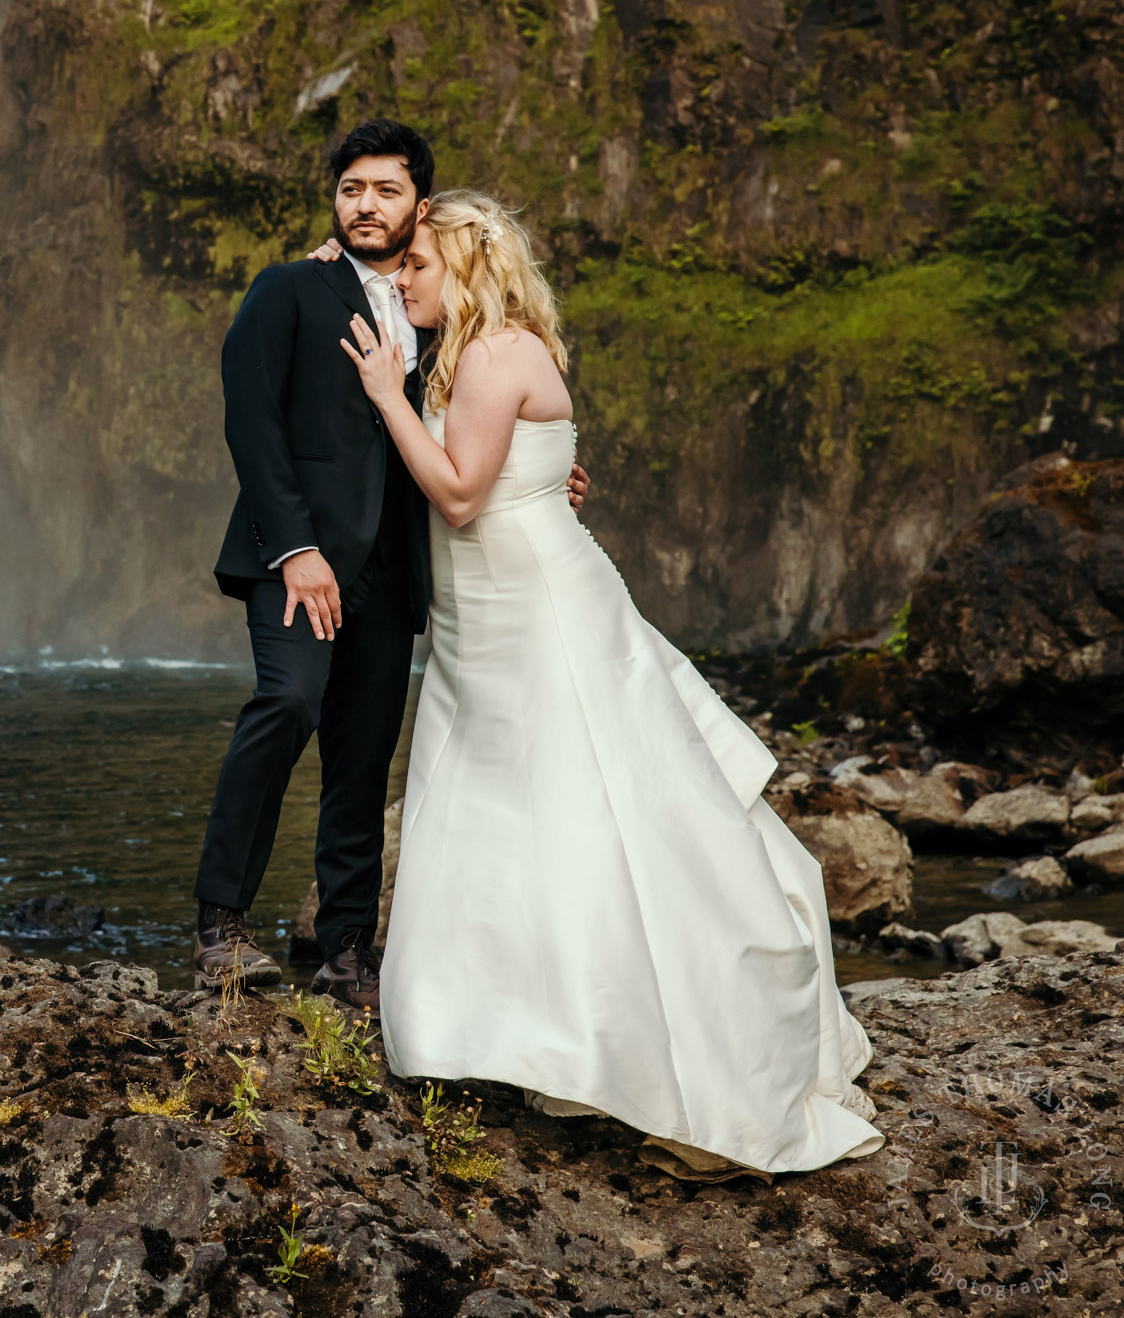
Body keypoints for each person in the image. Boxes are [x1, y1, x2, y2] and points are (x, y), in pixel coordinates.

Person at [339, 189, 882, 1178]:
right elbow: (504, 470)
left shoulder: (495, 352)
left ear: (464, 267)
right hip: (483, 619)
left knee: (590, 810)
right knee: (507, 810)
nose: (402, 276)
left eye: (418, 262)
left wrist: (384, 395)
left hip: (536, 610)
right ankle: (525, 1027)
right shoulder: (471, 351)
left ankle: (649, 1052)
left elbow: (460, 495)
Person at [193, 120, 584, 1005]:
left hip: (396, 570)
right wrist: (295, 548)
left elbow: (472, 430)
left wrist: (545, 471)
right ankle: (219, 922)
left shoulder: (440, 312)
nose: (365, 204)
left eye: (385, 191)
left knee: (364, 759)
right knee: (286, 702)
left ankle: (346, 953)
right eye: (350, 190)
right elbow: (252, 424)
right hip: (294, 559)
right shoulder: (288, 290)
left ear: (422, 207)